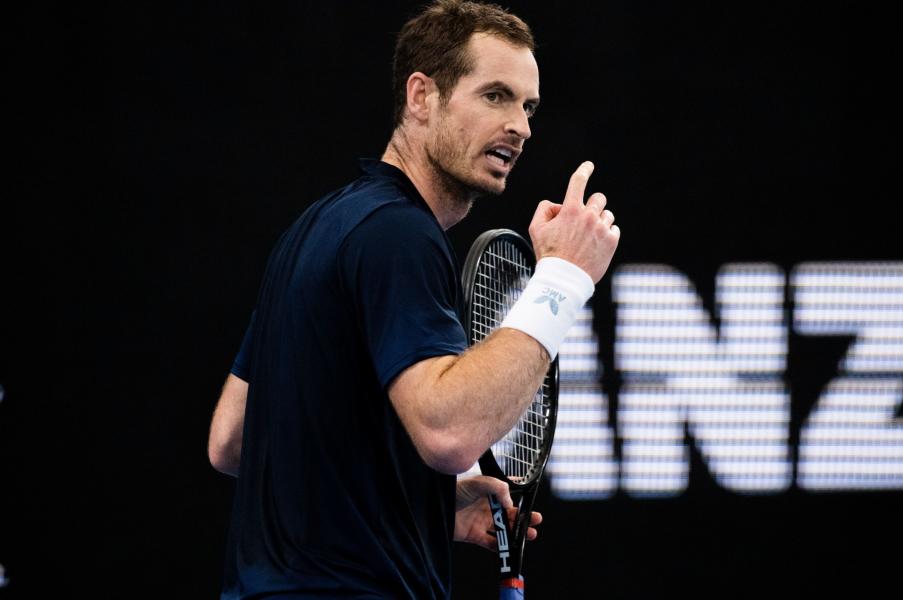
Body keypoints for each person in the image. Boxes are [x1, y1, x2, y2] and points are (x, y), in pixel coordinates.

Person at [208, 1, 620, 598]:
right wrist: (562, 278)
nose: (522, 127)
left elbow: (234, 437)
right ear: (421, 96)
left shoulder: (318, 228)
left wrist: (422, 504)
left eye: (527, 106)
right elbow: (449, 432)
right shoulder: (398, 234)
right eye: (495, 95)